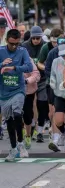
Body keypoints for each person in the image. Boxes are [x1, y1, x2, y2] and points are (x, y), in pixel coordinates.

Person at [0, 29, 33, 161]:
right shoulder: (1, 51)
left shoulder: (22, 51)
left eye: (16, 44)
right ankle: (13, 148)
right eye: (11, 43)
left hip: (18, 89)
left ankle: (21, 143)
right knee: (9, 120)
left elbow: (29, 67)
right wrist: (2, 64)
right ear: (7, 40)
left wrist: (14, 68)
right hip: (4, 92)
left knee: (17, 113)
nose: (14, 46)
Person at [23, 26, 48, 143]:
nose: (36, 40)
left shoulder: (46, 46)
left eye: (38, 38)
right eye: (34, 38)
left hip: (42, 79)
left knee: (42, 105)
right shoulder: (24, 46)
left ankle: (40, 130)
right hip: (29, 81)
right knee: (28, 107)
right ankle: (31, 124)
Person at [49, 43, 65, 153]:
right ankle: (63, 132)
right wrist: (53, 83)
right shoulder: (56, 61)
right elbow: (52, 74)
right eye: (63, 55)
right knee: (59, 120)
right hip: (59, 94)